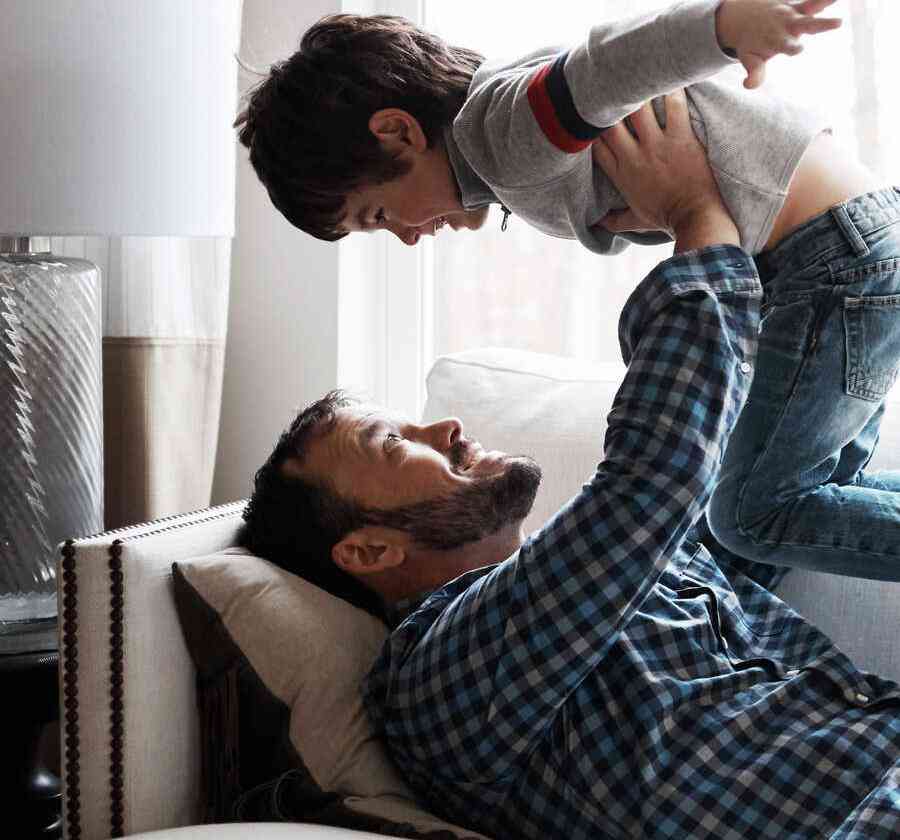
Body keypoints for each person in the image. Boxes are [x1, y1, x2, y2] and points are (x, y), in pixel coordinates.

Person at [242, 90, 900, 839]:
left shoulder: (614, 579)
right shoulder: (443, 677)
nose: (446, 426)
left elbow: (742, 479)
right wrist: (695, 212)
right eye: (396, 445)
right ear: (368, 550)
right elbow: (657, 477)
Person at [235, 0, 900, 582]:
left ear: (398, 132)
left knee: (753, 515)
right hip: (841, 243)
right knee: (773, 518)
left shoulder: (504, 135)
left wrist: (724, 27)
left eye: (377, 215)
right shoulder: (499, 127)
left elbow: (605, 63)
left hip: (827, 256)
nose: (406, 237)